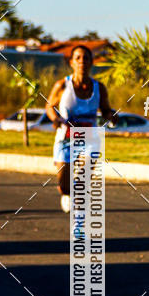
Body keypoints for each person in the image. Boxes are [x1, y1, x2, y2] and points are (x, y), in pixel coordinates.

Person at [46, 45, 115, 212]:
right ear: (71, 62)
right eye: (78, 58)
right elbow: (49, 107)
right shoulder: (62, 85)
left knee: (84, 170)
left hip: (89, 138)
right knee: (64, 179)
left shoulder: (99, 88)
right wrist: (55, 118)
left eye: (86, 58)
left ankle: (79, 193)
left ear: (91, 62)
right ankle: (66, 192)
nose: (82, 61)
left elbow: (105, 109)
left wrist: (111, 115)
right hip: (66, 138)